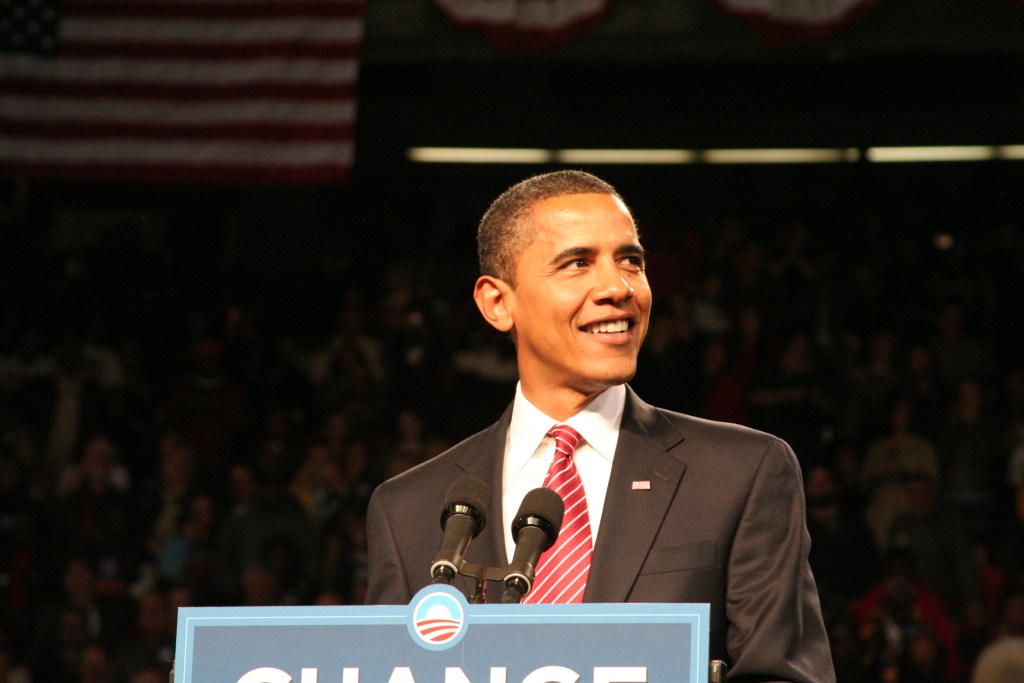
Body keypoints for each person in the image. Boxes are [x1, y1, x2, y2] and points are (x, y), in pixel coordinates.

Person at [365, 170, 834, 681]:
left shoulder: (742, 473)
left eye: (631, 261)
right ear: (498, 303)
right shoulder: (408, 510)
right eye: (578, 263)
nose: (618, 287)